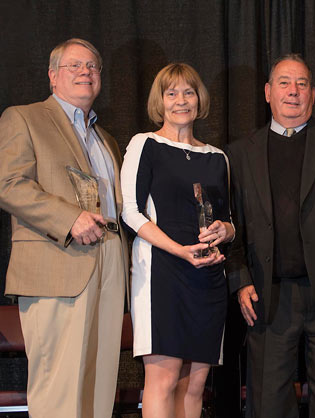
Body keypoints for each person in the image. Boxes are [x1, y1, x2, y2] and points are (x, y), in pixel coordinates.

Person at [227, 53, 315, 418]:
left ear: (313, 92)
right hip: (267, 292)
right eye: (284, 83)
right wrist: (240, 280)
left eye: (302, 84)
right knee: (268, 401)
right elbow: (233, 225)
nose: (293, 91)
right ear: (267, 92)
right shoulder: (240, 152)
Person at [0, 38, 128, 418]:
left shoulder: (107, 140)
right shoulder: (24, 118)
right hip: (57, 263)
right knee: (60, 391)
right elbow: (8, 183)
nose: (85, 72)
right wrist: (68, 218)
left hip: (108, 263)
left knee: (98, 387)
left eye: (92, 66)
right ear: (53, 76)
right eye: (75, 65)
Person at [120, 63, 234, 418]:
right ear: (160, 101)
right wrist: (179, 251)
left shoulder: (218, 157)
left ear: (200, 100)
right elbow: (131, 212)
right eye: (172, 93)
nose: (181, 100)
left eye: (188, 92)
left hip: (208, 278)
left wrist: (225, 232)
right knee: (164, 380)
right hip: (162, 274)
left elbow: (228, 220)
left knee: (194, 387)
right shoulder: (146, 145)